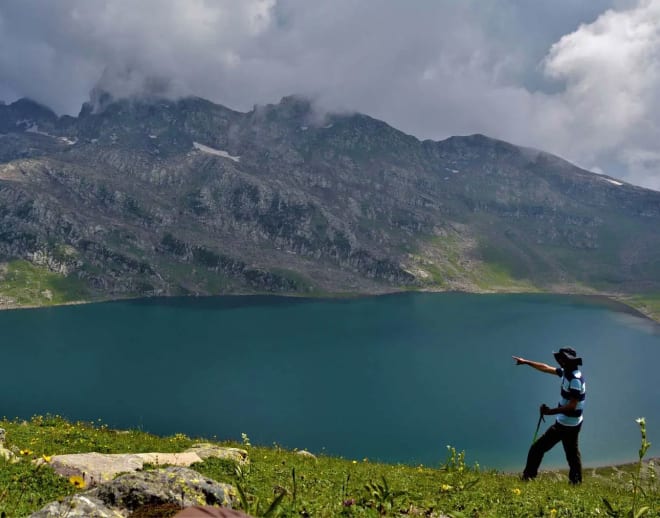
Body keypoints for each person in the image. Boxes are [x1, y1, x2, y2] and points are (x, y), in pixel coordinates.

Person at [512, 347, 586, 484]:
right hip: (573, 422)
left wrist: (549, 412)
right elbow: (545, 368)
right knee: (572, 455)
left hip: (566, 424)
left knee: (537, 448)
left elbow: (572, 406)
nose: (559, 362)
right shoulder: (567, 373)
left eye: (561, 359)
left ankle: (527, 478)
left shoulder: (574, 379)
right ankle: (576, 483)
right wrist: (526, 362)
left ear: (567, 362)